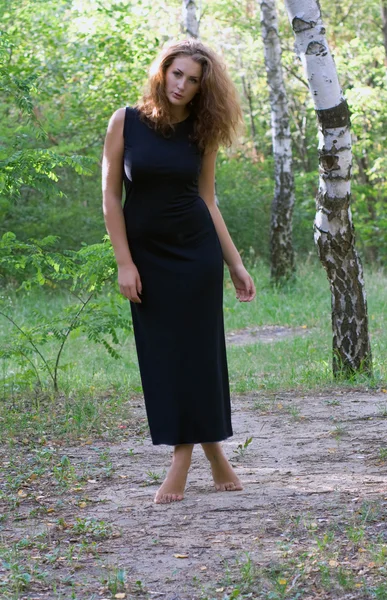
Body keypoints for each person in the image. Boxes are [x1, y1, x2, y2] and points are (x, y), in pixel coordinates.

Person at [102, 39, 256, 504]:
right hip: (146, 258)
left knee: (200, 354)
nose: (182, 86)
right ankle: (214, 454)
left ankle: (181, 458)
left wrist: (235, 262)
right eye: (177, 75)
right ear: (162, 71)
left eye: (193, 80)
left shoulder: (201, 131)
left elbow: (207, 200)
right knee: (164, 356)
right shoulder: (124, 120)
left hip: (196, 255)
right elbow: (111, 197)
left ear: (201, 88)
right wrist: (124, 262)